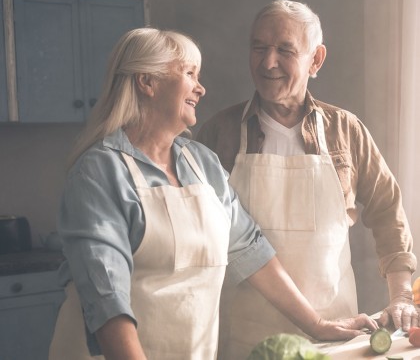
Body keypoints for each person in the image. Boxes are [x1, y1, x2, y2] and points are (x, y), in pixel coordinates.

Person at [48, 27, 377, 360]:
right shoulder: (99, 173)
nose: (201, 88)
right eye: (189, 74)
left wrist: (318, 325)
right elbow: (107, 299)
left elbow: (250, 250)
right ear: (147, 82)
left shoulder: (201, 163)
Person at [196, 0, 419, 359]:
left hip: (336, 331)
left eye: (285, 50)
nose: (268, 62)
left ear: (316, 59)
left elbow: (387, 211)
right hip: (245, 338)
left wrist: (402, 296)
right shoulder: (218, 134)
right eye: (259, 48)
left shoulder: (346, 131)